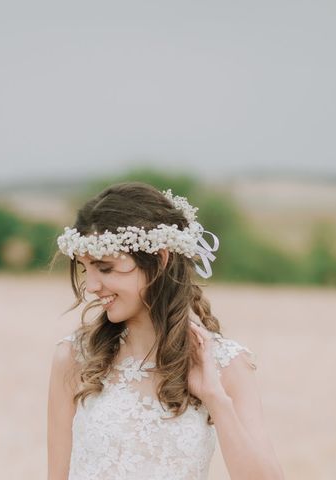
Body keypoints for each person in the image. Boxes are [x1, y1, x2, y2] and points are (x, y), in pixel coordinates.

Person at [47, 181, 284, 480]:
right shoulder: (75, 357)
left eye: (105, 268)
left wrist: (214, 397)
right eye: (85, 269)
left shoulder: (226, 364)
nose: (91, 286)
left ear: (159, 259)